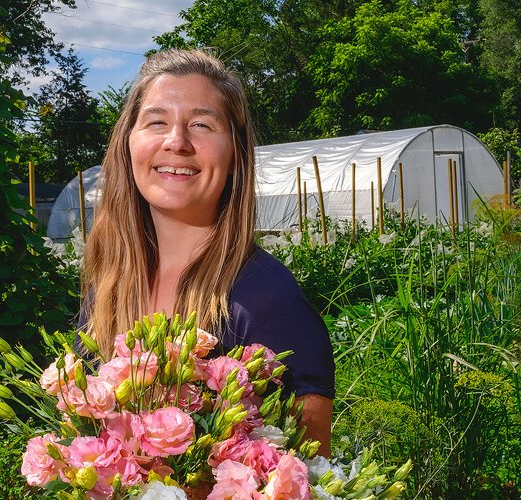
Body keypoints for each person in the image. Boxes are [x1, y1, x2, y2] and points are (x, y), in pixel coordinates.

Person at [79, 49, 335, 456]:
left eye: (201, 124)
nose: (177, 142)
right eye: (156, 122)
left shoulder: (264, 299)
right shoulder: (107, 289)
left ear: (235, 155)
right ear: (129, 146)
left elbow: (308, 476)